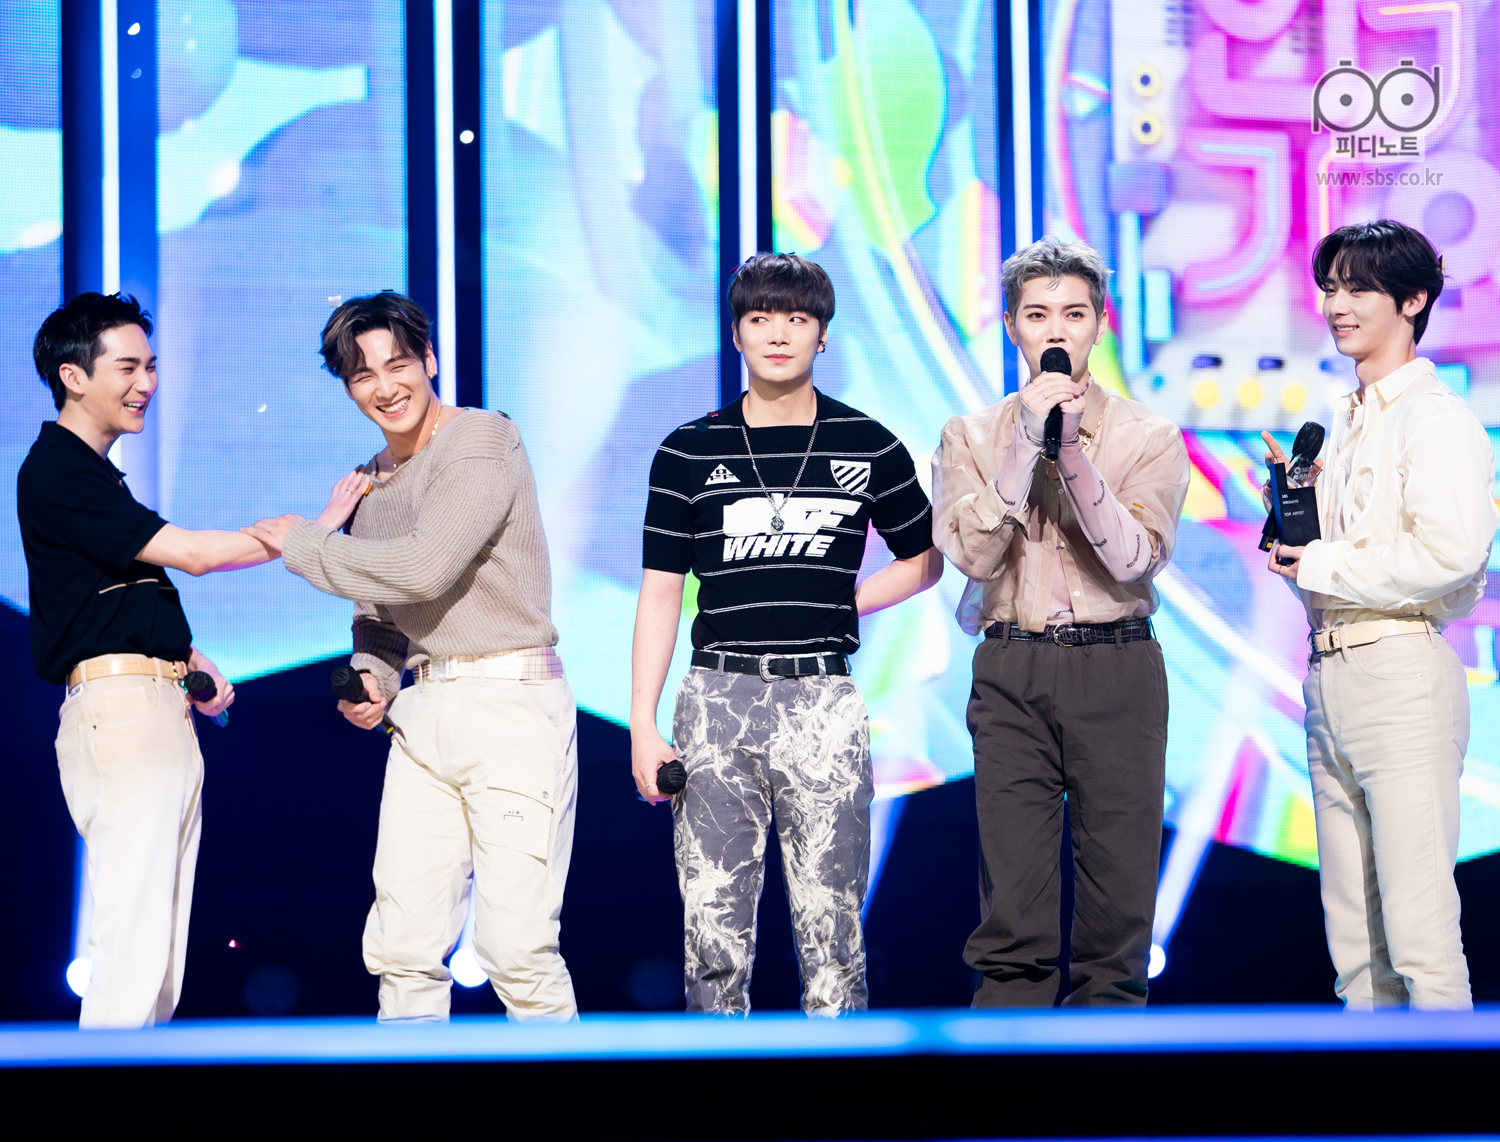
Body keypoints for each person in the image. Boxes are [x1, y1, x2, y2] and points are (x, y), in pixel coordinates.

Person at [244, 292, 577, 1022]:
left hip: (510, 705)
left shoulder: (482, 438)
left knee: (516, 950)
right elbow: (379, 616)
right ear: (347, 388)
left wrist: (304, 544)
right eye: (363, 375)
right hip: (422, 719)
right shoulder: (368, 482)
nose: (385, 387)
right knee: (402, 947)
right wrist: (371, 677)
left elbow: (425, 568)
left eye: (398, 365)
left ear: (429, 360)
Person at [631, 253, 942, 1015]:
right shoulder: (687, 450)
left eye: (797, 319)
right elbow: (661, 591)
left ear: (823, 334)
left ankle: (834, 1087)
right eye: (760, 318)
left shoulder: (868, 443)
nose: (778, 334)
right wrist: (642, 724)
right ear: (737, 332)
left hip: (823, 699)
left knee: (833, 932)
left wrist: (843, 605)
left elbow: (925, 559)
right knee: (712, 936)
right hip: (716, 698)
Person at [18, 293, 294, 1028]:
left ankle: (133, 1082)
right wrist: (311, 534)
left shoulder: (94, 476)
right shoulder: (59, 470)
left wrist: (187, 662)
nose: (148, 382)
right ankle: (97, 1088)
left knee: (158, 956)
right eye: (128, 367)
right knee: (133, 946)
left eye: (151, 366)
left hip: (153, 712)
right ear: (74, 376)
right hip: (123, 717)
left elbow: (108, 606)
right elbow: (195, 554)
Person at [931, 239, 1190, 1006]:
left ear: (1099, 325)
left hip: (1117, 667)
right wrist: (1022, 447)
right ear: (1012, 325)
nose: (1056, 330)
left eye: (1074, 314)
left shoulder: (1149, 435)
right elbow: (972, 555)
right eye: (1037, 314)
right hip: (1012, 668)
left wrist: (1070, 452)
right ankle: (1008, 1071)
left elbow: (1133, 560)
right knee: (1012, 912)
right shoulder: (968, 435)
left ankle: (1104, 1071)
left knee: (1117, 911)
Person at [1264, 220, 1496, 1010]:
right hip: (1329, 670)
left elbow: (1453, 556)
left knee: (1420, 937)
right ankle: (1376, 1086)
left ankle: (1452, 1090)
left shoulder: (1436, 417)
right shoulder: (1346, 422)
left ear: (1414, 300)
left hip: (1400, 673)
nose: (1337, 305)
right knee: (1357, 951)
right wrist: (1297, 536)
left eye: (1359, 288)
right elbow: (1331, 575)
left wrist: (1323, 562)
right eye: (1330, 287)